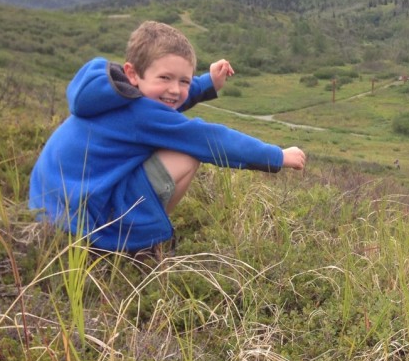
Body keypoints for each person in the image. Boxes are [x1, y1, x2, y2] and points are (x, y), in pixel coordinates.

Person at [29, 21, 307, 254]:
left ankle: (134, 230)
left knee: (167, 129)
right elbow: (210, 138)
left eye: (184, 81)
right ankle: (141, 244)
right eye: (165, 77)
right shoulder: (141, 114)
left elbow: (160, 105)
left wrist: (205, 84)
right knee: (186, 154)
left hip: (51, 207)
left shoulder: (111, 92)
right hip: (84, 223)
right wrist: (277, 156)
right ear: (132, 73)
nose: (175, 89)